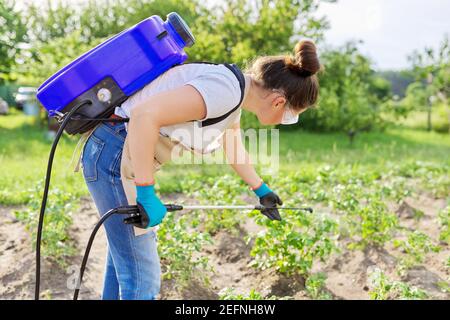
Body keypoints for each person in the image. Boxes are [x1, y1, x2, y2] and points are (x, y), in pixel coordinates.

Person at [80, 39, 321, 299]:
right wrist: (146, 193)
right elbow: (143, 116)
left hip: (113, 154)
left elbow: (233, 147)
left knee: (126, 264)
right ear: (278, 102)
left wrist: (261, 189)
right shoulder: (225, 90)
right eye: (291, 116)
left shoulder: (235, 92)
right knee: (143, 279)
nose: (284, 122)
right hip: (113, 158)